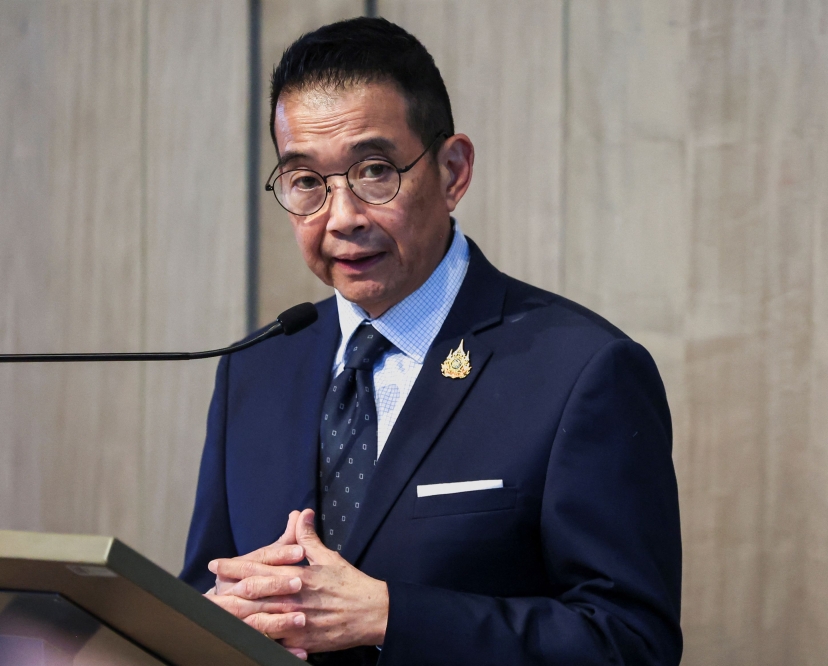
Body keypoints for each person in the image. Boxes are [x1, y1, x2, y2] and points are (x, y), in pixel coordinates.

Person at [180, 16, 682, 665]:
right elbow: (204, 587)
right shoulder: (256, 366)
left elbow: (631, 643)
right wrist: (215, 617)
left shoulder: (583, 372)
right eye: (306, 181)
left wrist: (390, 616)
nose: (342, 217)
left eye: (374, 171)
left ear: (452, 171)